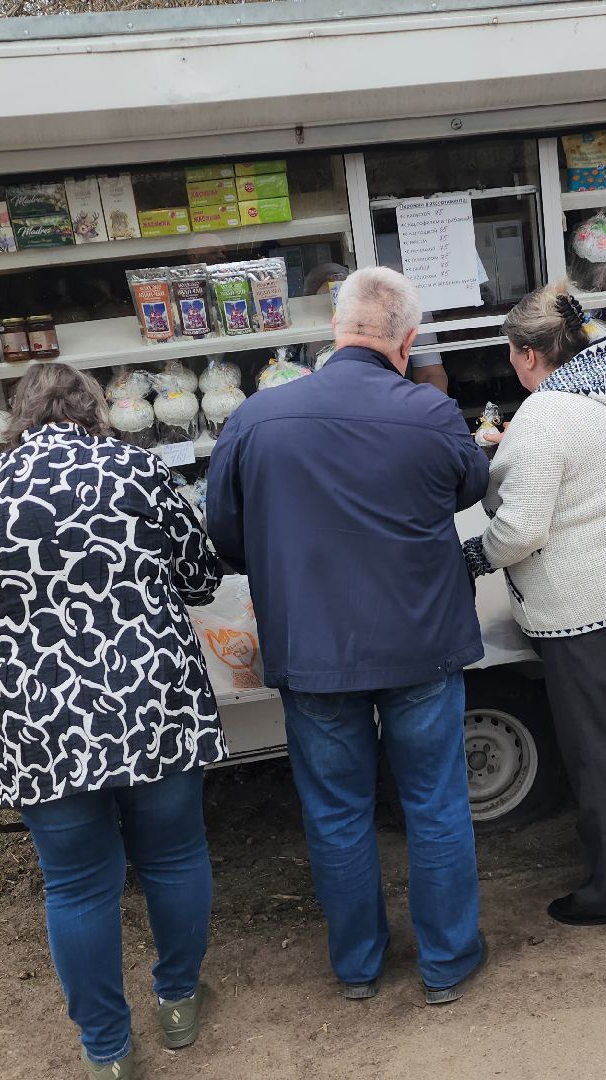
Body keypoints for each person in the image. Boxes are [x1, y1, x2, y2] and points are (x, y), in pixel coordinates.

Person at [204, 266, 490, 1004]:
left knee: (335, 810)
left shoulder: (257, 419)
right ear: (408, 338)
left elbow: (227, 536)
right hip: (420, 642)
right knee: (434, 802)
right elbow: (469, 488)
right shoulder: (431, 413)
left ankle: (359, 966)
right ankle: (447, 964)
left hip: (313, 647)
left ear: (334, 330)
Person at [0, 362, 222, 1080]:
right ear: (99, 410)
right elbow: (199, 577)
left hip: (41, 718)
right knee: (174, 856)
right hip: (151, 702)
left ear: (20, 417)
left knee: (74, 886)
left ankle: (106, 1050)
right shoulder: (139, 469)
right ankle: (178, 1001)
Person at [461, 284, 606, 927]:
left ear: (529, 354)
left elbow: (521, 531)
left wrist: (472, 557)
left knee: (600, 752)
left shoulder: (544, 417)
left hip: (588, 608)